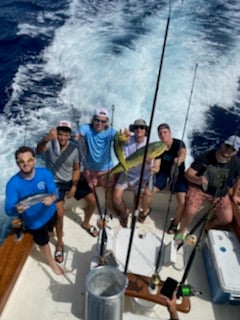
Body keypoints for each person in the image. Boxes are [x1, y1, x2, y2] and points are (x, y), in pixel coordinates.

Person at [36, 120, 97, 264]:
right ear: (56, 134)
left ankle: (86, 223)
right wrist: (46, 138)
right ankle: (60, 242)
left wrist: (74, 186)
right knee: (59, 213)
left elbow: (76, 169)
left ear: (70, 135)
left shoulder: (75, 148)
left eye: (66, 135)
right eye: (60, 134)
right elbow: (39, 150)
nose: (62, 138)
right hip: (55, 183)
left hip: (71, 180)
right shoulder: (50, 143)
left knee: (93, 200)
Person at [5, 146, 63, 275]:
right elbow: (8, 209)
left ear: (34, 160)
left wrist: (53, 197)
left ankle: (51, 232)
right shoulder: (12, 184)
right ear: (17, 163)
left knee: (52, 226)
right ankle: (51, 263)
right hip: (35, 222)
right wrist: (17, 209)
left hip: (50, 211)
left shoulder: (45, 173)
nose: (26, 163)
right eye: (21, 161)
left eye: (29, 159)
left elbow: (54, 192)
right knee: (44, 242)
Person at [176, 135, 240, 243]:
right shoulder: (206, 156)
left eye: (232, 149)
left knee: (227, 219)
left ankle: (208, 226)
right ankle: (181, 231)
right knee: (190, 210)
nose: (228, 150)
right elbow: (188, 174)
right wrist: (198, 180)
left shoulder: (237, 162)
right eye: (227, 146)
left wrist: (234, 194)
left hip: (220, 193)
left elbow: (238, 178)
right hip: (199, 189)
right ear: (223, 144)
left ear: (235, 152)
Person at [112, 119, 160, 227]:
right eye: (136, 127)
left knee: (138, 200)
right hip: (127, 174)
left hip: (142, 176)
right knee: (116, 197)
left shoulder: (151, 144)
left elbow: (155, 164)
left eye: (142, 127)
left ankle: (135, 213)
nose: (139, 129)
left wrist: (149, 162)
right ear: (133, 129)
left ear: (145, 130)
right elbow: (119, 152)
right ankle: (125, 212)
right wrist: (121, 140)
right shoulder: (127, 140)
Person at [75, 108, 120, 217]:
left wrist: (125, 138)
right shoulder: (86, 128)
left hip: (106, 170)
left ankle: (109, 205)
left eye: (103, 121)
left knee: (110, 189)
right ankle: (89, 206)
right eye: (97, 120)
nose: (99, 123)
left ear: (106, 122)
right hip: (90, 171)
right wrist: (77, 137)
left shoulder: (111, 132)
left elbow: (120, 139)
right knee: (91, 191)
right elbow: (78, 135)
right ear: (93, 120)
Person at [142, 123, 188, 230]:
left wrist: (179, 160)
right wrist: (152, 168)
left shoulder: (178, 143)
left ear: (170, 133)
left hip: (178, 174)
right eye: (160, 133)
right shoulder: (159, 147)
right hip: (163, 173)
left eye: (165, 132)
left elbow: (183, 153)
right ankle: (145, 211)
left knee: (182, 201)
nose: (163, 135)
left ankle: (175, 223)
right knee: (147, 192)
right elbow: (157, 166)